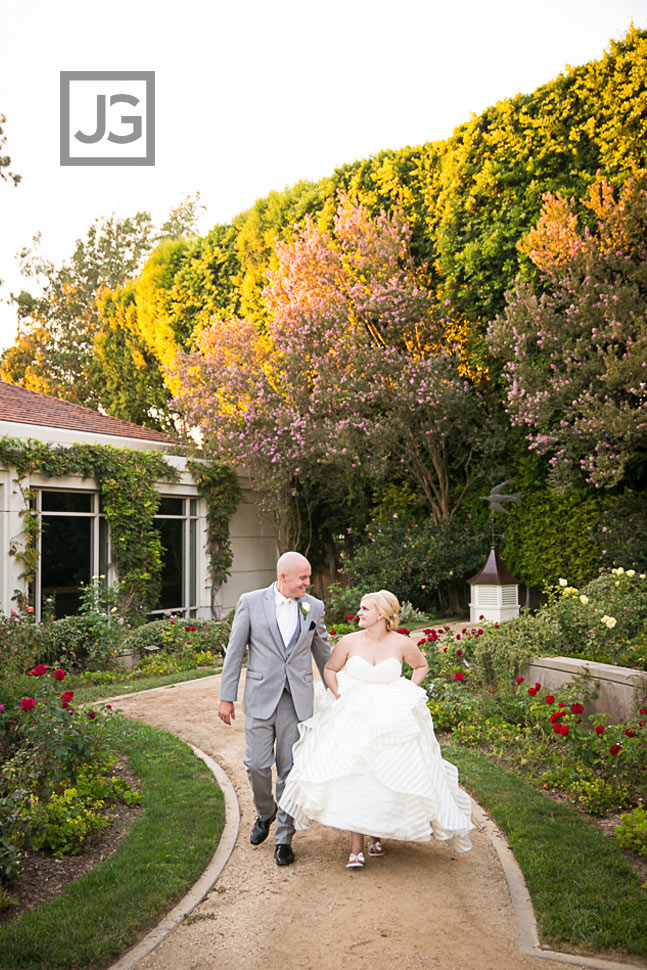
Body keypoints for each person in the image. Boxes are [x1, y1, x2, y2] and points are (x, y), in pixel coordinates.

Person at [279, 590, 474, 868]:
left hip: (390, 717)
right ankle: (356, 847)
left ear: (380, 614)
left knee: (385, 774)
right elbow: (331, 668)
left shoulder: (402, 643)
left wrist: (407, 691)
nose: (358, 613)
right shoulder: (349, 642)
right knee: (356, 777)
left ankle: (376, 834)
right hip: (354, 715)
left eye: (364, 608)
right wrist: (338, 694)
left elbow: (421, 665)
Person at [218, 551, 329, 866]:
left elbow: (323, 652)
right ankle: (265, 812)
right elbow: (235, 651)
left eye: (308, 577)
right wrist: (226, 697)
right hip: (259, 695)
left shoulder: (313, 607)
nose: (308, 583)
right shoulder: (251, 602)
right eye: (303, 578)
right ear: (284, 577)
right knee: (255, 764)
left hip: (296, 700)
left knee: (289, 768)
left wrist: (340, 688)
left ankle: (284, 838)